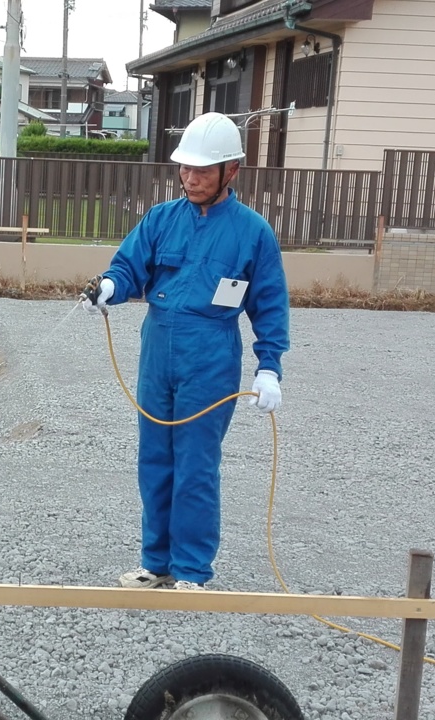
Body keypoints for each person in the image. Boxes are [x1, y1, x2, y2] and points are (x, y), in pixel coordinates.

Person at [81, 112, 290, 591]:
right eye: (185, 169)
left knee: (195, 465)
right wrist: (110, 287)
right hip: (157, 351)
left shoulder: (252, 233)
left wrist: (269, 368)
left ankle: (192, 571)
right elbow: (128, 266)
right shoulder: (161, 218)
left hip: (210, 357)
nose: (190, 179)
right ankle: (156, 564)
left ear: (230, 171)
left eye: (202, 171)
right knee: (154, 459)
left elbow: (269, 304)